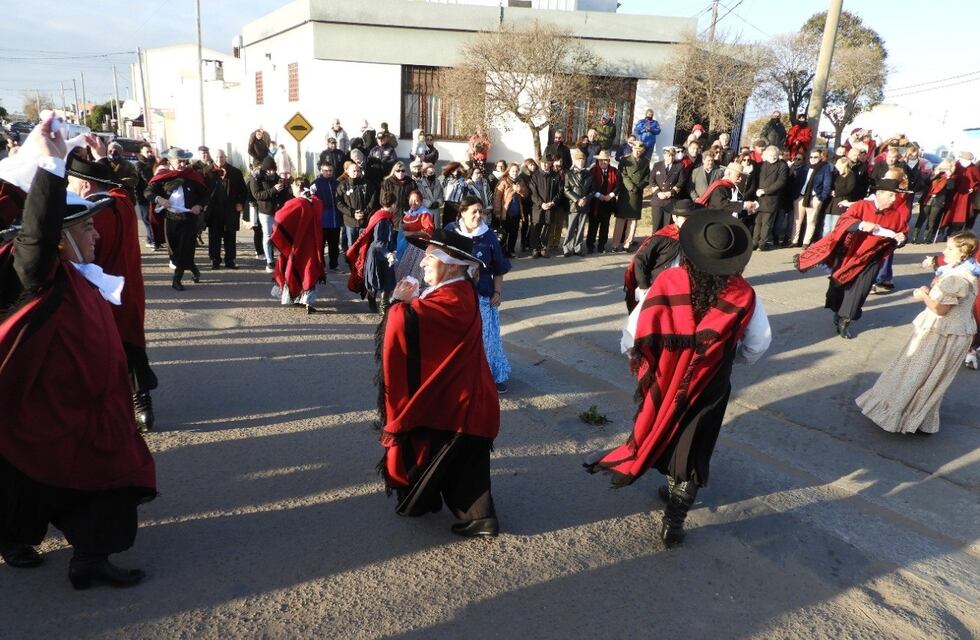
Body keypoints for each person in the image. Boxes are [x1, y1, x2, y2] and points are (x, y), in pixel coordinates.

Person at [0, 116, 156, 587]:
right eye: (87, 228)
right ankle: (15, 540)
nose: (97, 235)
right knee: (28, 479)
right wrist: (51, 167)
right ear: (62, 239)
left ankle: (90, 558)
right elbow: (36, 237)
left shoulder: (83, 277)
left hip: (89, 412)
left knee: (101, 484)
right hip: (48, 415)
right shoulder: (38, 277)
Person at [587, 209, 771, 546]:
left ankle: (673, 492)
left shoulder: (668, 282)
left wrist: (642, 364)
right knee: (696, 440)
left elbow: (635, 333)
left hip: (664, 374)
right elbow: (758, 344)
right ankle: (675, 516)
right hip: (712, 380)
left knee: (665, 425)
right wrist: (729, 358)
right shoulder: (745, 294)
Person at [377, 229, 500, 537]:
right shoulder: (457, 290)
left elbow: (409, 324)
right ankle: (427, 502)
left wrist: (397, 303)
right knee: (447, 458)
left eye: (428, 258)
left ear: (451, 264)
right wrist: (408, 304)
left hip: (462, 400)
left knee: (457, 463)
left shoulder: (454, 295)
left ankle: (479, 518)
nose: (422, 264)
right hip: (462, 394)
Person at [65, 149, 158, 432]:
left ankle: (117, 409)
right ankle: (141, 403)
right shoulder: (122, 203)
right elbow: (118, 183)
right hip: (127, 291)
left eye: (70, 183)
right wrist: (100, 158)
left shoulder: (89, 213)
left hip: (99, 291)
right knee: (131, 346)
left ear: (84, 185)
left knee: (102, 352)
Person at [857, 232, 978, 434]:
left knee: (916, 372)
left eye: (949, 248)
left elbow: (941, 310)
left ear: (963, 252)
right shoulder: (964, 272)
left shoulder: (957, 278)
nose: (944, 251)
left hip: (942, 333)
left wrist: (923, 296)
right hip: (953, 332)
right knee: (927, 375)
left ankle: (901, 416)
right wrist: (932, 288)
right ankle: (915, 418)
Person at [796, 179, 909, 339]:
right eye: (891, 195)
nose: (893, 199)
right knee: (839, 286)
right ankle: (838, 311)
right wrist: (862, 224)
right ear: (879, 194)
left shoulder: (896, 215)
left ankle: (845, 320)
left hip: (872, 257)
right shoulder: (861, 206)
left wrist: (901, 238)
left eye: (895, 196)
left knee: (860, 290)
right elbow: (843, 221)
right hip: (848, 253)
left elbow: (903, 234)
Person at [447, 196, 512, 391]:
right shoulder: (451, 231)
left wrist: (498, 292)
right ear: (463, 212)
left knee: (487, 340)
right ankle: (458, 377)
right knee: (456, 340)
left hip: (482, 296)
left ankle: (493, 375)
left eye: (481, 212)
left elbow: (499, 268)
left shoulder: (489, 235)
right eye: (474, 211)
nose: (478, 215)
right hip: (455, 295)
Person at [623, 199, 698, 312]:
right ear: (674, 218)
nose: (687, 221)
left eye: (690, 217)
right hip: (657, 287)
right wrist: (644, 287)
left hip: (682, 289)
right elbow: (640, 260)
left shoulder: (696, 239)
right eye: (684, 217)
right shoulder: (662, 237)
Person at [149, 149, 208, 290]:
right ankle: (194, 269)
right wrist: (159, 198)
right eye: (179, 161)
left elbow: (205, 195)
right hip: (170, 219)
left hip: (188, 220)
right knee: (174, 252)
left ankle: (177, 280)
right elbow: (148, 191)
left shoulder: (193, 176)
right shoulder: (163, 176)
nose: (182, 164)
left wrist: (198, 205)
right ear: (170, 161)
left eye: (184, 161)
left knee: (183, 249)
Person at [270, 193, 324, 314]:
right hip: (311, 241)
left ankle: (297, 297)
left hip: (296, 243)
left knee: (293, 268)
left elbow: (280, 216)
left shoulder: (298, 203)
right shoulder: (317, 203)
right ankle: (307, 299)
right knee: (309, 269)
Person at [346, 190, 398, 314]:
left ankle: (383, 305)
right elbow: (378, 241)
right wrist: (388, 254)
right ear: (393, 204)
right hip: (378, 254)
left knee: (387, 279)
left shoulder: (381, 215)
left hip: (383, 252)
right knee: (377, 279)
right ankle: (373, 299)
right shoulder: (383, 219)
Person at [206, 150, 248, 270]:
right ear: (213, 158)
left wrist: (240, 203)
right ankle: (215, 260)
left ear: (226, 157)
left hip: (230, 210)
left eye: (222, 157)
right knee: (214, 236)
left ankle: (230, 260)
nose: (220, 159)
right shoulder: (207, 172)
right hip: (214, 211)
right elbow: (202, 190)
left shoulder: (235, 172)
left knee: (230, 236)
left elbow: (243, 191)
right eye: (217, 157)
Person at [249, 157, 289, 273]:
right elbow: (257, 195)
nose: (272, 172)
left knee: (279, 235)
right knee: (267, 236)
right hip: (265, 211)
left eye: (273, 170)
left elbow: (283, 194)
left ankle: (282, 259)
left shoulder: (276, 177)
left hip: (278, 211)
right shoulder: (257, 178)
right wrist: (274, 190)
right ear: (264, 169)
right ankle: (270, 261)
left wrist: (283, 188)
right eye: (269, 170)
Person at [336, 161, 377, 269]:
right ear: (348, 172)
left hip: (364, 221)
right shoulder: (343, 185)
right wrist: (352, 213)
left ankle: (362, 266)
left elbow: (373, 199)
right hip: (350, 222)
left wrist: (365, 212)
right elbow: (339, 203)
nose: (356, 173)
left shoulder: (367, 184)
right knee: (352, 245)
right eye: (354, 171)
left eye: (358, 171)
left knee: (364, 245)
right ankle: (352, 267)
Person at [791, 149, 832, 247]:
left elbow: (827, 184)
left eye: (815, 157)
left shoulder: (825, 168)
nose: (812, 159)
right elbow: (797, 182)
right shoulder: (805, 167)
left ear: (820, 157)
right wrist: (795, 195)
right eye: (811, 157)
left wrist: (821, 198)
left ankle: (806, 242)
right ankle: (794, 241)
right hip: (801, 196)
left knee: (811, 221)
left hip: (814, 197)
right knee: (797, 220)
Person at [613, 140, 649, 252]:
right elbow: (622, 175)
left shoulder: (646, 162)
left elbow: (647, 177)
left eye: (640, 150)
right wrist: (631, 187)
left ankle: (627, 244)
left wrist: (638, 187)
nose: (638, 152)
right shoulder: (625, 160)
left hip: (637, 194)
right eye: (636, 150)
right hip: (626, 193)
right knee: (621, 220)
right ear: (632, 149)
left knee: (633, 221)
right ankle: (615, 245)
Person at [394, 190, 435, 285]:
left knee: (415, 274)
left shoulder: (424, 213)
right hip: (408, 246)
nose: (413, 203)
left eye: (416, 201)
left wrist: (411, 233)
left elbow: (428, 231)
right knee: (404, 272)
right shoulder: (410, 213)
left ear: (421, 202)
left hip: (419, 248)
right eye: (411, 200)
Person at [753, 145, 789, 251]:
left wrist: (765, 191)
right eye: (771, 155)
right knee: (758, 222)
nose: (773, 157)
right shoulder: (762, 165)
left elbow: (781, 182)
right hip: (759, 198)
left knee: (767, 223)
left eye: (775, 155)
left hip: (771, 198)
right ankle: (754, 242)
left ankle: (762, 244)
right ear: (766, 155)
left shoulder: (782, 166)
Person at [912, 160, 956, 244]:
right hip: (927, 198)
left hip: (939, 201)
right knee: (921, 218)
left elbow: (951, 188)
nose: (944, 169)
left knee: (932, 220)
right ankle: (915, 238)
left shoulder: (950, 177)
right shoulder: (935, 172)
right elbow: (927, 182)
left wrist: (949, 176)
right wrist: (935, 173)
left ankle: (926, 238)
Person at [561, 149, 594, 258]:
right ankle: (567, 248)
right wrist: (577, 200)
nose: (581, 162)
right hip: (573, 205)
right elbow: (566, 190)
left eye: (583, 160)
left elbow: (593, 191)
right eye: (579, 160)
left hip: (585, 205)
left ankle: (578, 248)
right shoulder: (569, 174)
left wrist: (586, 199)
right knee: (571, 228)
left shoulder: (589, 174)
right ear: (574, 161)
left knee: (581, 228)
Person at [528, 156, 561, 258]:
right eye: (543, 163)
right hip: (538, 207)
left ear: (551, 164)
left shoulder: (555, 176)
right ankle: (535, 248)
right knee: (536, 227)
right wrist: (541, 204)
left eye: (547, 163)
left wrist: (553, 202)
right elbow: (533, 193)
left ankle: (543, 248)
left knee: (547, 227)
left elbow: (560, 191)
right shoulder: (535, 176)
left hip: (550, 206)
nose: (545, 165)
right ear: (540, 163)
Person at [586, 151, 619, 253]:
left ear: (609, 161)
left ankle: (601, 246)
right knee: (593, 226)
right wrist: (598, 195)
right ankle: (590, 246)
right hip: (595, 203)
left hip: (608, 203)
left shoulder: (614, 171)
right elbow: (588, 186)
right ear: (598, 160)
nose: (603, 162)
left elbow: (618, 186)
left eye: (605, 160)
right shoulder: (592, 171)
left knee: (605, 226)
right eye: (601, 160)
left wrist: (610, 195)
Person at [941, 151, 980, 235]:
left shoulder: (973, 168)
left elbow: (977, 181)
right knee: (949, 214)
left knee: (961, 216)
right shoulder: (956, 165)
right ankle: (947, 232)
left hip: (965, 197)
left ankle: (955, 233)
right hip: (952, 193)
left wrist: (973, 189)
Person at [312, 163, 342, 272]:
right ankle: (321, 265)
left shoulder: (337, 183)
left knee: (334, 245)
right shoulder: (315, 184)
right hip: (322, 220)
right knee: (320, 245)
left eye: (330, 170)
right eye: (325, 170)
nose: (328, 172)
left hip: (335, 220)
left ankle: (334, 264)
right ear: (321, 171)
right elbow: (311, 199)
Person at [493, 163, 526, 258]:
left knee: (514, 233)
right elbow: (497, 198)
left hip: (516, 212)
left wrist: (519, 190)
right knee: (504, 233)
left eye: (516, 171)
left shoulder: (520, 181)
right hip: (505, 212)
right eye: (513, 171)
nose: (515, 173)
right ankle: (502, 252)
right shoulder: (503, 181)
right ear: (509, 171)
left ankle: (511, 251)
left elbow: (526, 194)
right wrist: (497, 212)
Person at [649, 146, 684, 231]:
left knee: (667, 227)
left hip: (670, 201)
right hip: (658, 200)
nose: (670, 158)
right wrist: (658, 192)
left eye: (672, 155)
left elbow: (681, 182)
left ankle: (666, 244)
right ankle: (655, 243)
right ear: (664, 155)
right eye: (668, 155)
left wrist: (670, 193)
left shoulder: (679, 166)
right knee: (656, 227)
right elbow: (651, 180)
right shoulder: (657, 165)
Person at [134, 144, 157, 249]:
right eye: (147, 152)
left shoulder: (154, 163)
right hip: (142, 196)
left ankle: (151, 239)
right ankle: (151, 239)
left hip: (154, 195)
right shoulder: (139, 164)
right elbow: (147, 178)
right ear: (141, 153)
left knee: (151, 218)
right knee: (146, 218)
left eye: (150, 151)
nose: (149, 154)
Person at [441, 162, 467, 229]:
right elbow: (442, 185)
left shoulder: (463, 181)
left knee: (456, 223)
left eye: (458, 170)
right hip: (448, 204)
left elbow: (465, 192)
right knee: (446, 222)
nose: (456, 172)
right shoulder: (447, 180)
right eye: (454, 170)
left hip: (458, 204)